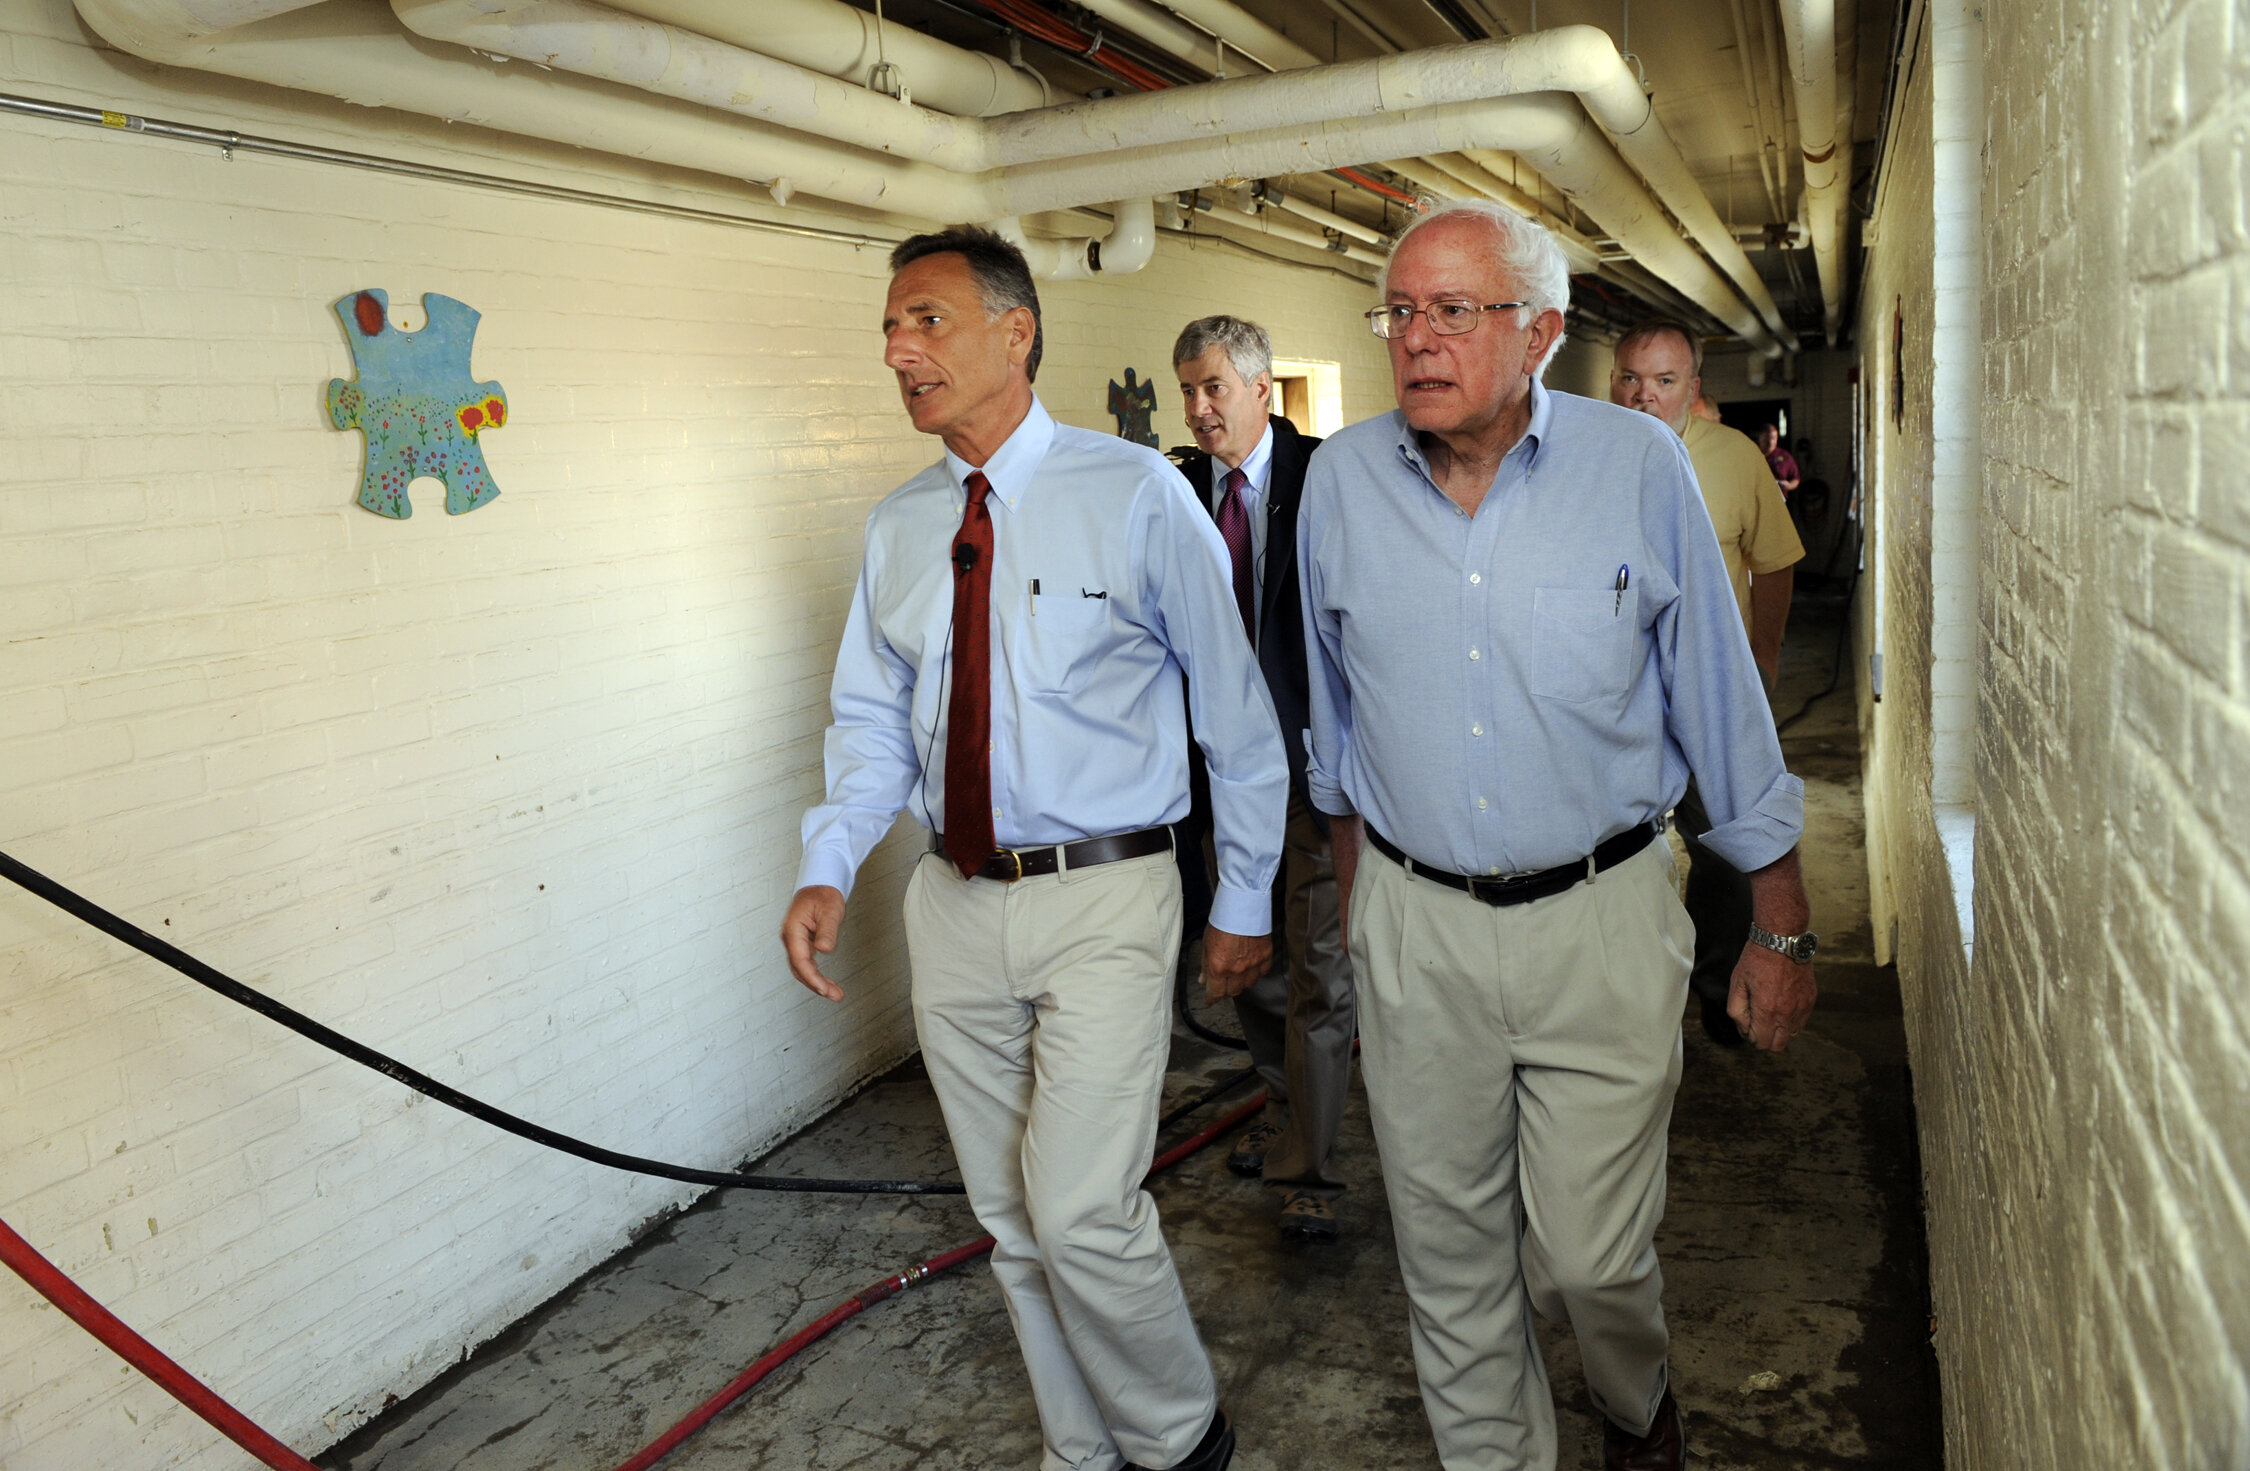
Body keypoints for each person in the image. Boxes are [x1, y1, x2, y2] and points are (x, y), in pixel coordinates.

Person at [1298, 200, 1820, 1471]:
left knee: (1591, 1256)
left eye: (1453, 311)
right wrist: (1367, 923)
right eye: (1401, 311)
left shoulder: (1640, 469)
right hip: (1417, 924)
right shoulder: (1343, 482)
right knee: (1450, 1255)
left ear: (1539, 331)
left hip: (1601, 913)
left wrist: (1782, 924)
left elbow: (1721, 704)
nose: (1417, 339)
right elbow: (1335, 725)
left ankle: (1634, 1404)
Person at [782, 226, 1287, 1471]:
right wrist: (829, 861)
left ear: (1017, 331)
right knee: (1012, 1221)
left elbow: (1235, 709)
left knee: (1081, 1208)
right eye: (891, 330)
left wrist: (1250, 894)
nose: (900, 350)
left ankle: (1179, 1442)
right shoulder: (902, 526)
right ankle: (1083, 1451)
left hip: (1106, 892)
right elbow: (869, 720)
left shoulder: (1134, 494)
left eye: (928, 321)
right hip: (952, 902)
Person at [1167, 315, 1355, 1243]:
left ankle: (1310, 1164)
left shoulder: (1332, 476)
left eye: (1213, 389)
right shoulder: (1171, 494)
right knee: (1248, 965)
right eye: (1188, 392)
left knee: (1320, 965)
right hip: (1219, 773)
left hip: (1316, 769)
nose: (1200, 410)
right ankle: (1287, 1111)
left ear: (1261, 390)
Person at [1610, 320, 1806, 1046]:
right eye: (1630, 377)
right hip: (1620, 697)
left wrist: (1763, 654)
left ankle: (1722, 983)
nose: (1643, 395)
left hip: (1706, 692)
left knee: (1724, 846)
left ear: (1694, 390)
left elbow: (1776, 559)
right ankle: (1633, 994)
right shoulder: (1590, 457)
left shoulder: (1732, 459)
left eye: (1663, 381)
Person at [1757, 423, 1800, 499]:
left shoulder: (1785, 456)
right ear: (1760, 438)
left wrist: (1789, 486)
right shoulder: (1752, 454)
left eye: (1773, 438)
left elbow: (1796, 478)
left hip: (1778, 499)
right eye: (1767, 438)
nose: (1770, 442)